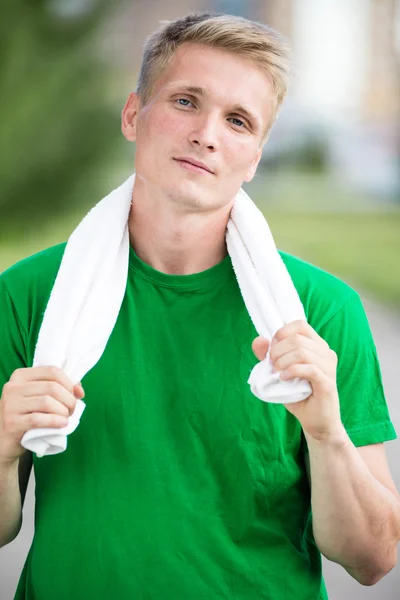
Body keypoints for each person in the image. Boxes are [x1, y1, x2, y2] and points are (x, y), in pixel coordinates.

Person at [0, 11, 399, 600]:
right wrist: (4, 441)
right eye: (186, 101)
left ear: (256, 155)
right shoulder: (31, 294)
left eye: (238, 120)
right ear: (134, 115)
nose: (207, 134)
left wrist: (328, 435)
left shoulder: (320, 312)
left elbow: (372, 559)